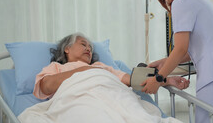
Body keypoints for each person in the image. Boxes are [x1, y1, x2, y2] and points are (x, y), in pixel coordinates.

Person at [33, 32, 189, 100]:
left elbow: (133, 80)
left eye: (90, 47)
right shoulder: (56, 67)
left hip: (112, 99)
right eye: (83, 44)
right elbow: (46, 86)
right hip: (78, 103)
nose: (88, 48)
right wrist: (85, 70)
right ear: (67, 48)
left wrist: (167, 80)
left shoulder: (101, 67)